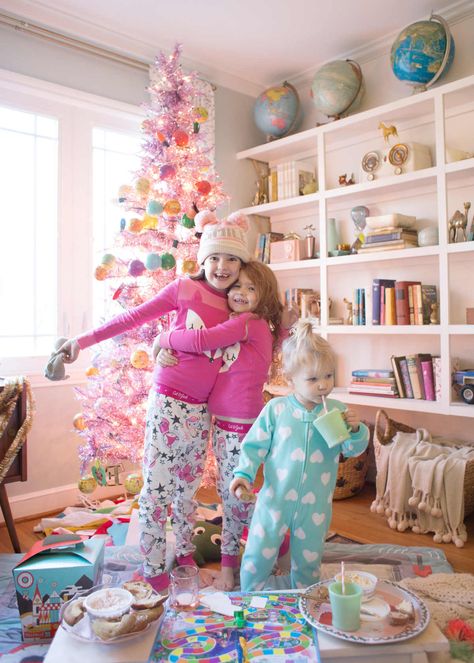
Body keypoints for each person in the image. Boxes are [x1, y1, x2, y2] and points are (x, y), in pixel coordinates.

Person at [57, 210, 251, 593]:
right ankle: (152, 568)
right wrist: (80, 341)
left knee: (187, 488)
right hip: (168, 404)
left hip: (201, 411)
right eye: (214, 257)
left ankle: (182, 554)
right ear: (202, 259)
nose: (222, 266)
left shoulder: (239, 306)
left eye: (231, 258)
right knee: (157, 490)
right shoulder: (183, 289)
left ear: (242, 264)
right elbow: (133, 317)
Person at [154, 260, 288, 590]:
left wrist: (162, 339)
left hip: (239, 424)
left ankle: (243, 558)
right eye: (236, 287)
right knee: (233, 493)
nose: (240, 293)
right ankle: (275, 540)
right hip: (227, 422)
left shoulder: (247, 323)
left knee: (233, 496)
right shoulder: (249, 324)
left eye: (250, 288)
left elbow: (201, 341)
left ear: (264, 294)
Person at [230, 321, 369, 590]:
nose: (323, 386)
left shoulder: (336, 411)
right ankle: (249, 594)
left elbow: (352, 451)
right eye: (313, 379)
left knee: (309, 557)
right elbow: (253, 446)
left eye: (329, 376)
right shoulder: (277, 409)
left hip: (315, 503)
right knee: (259, 551)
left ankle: (303, 595)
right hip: (275, 498)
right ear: (291, 380)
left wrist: (355, 430)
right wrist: (243, 475)